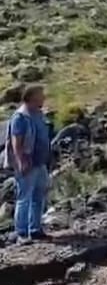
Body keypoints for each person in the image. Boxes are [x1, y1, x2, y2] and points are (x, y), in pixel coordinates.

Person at [3, 83, 52, 242]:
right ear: (32, 96)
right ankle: (22, 233)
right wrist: (21, 161)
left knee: (39, 196)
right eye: (41, 94)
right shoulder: (21, 117)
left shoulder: (38, 113)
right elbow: (17, 141)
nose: (43, 97)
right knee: (24, 197)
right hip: (27, 162)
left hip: (40, 162)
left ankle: (35, 229)